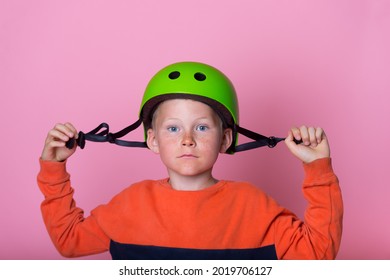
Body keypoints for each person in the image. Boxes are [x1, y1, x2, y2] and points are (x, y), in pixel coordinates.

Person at [37, 61, 343, 259]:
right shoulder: (131, 204)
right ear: (152, 140)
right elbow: (69, 240)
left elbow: (317, 252)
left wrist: (317, 168)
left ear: (225, 139)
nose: (187, 139)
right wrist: (54, 169)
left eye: (201, 127)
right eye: (173, 128)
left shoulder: (252, 205)